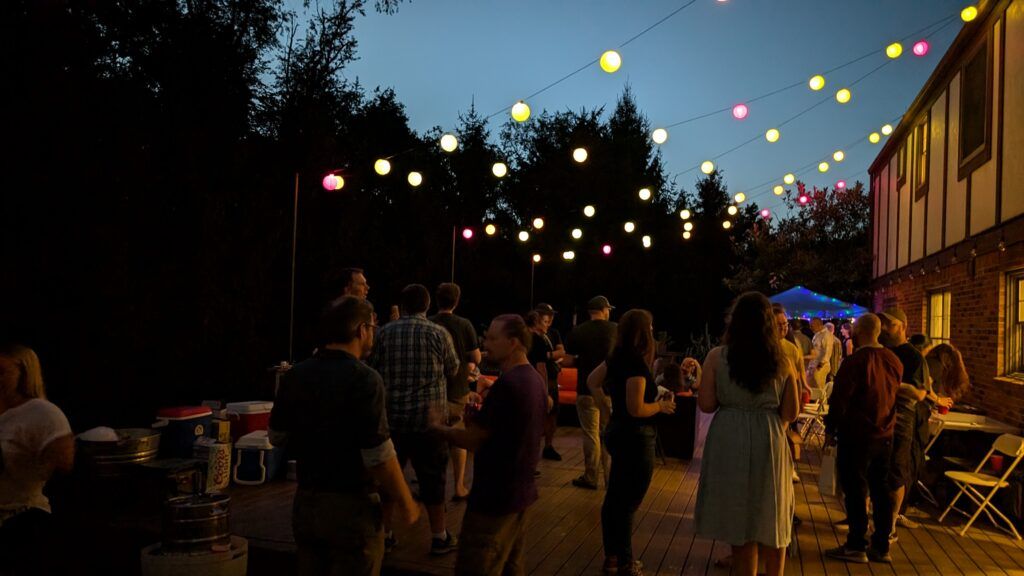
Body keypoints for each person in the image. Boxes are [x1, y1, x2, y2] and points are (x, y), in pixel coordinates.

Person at [270, 298, 420, 575]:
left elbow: (277, 437)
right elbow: (379, 455)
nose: (373, 333)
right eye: (373, 327)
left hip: (307, 503)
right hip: (352, 508)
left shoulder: (296, 375)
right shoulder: (365, 379)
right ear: (361, 330)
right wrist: (406, 501)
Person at [433, 315, 547, 576]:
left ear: (513, 343)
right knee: (511, 567)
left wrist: (439, 429)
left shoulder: (507, 385)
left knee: (477, 566)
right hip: (520, 495)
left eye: (493, 338)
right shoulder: (533, 380)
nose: (486, 343)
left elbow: (474, 440)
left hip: (494, 499)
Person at [695, 293, 799, 576]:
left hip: (730, 437)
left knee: (739, 521)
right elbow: (790, 412)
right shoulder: (783, 360)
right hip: (769, 436)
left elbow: (706, 404)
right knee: (770, 511)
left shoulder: (717, 357)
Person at [371, 284, 460, 555]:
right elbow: (453, 368)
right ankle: (439, 535)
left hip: (392, 419)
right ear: (427, 305)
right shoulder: (439, 333)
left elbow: (373, 368)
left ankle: (384, 534)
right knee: (433, 480)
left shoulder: (384, 332)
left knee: (388, 480)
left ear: (404, 304)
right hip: (428, 421)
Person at [588, 309, 675, 576]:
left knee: (614, 498)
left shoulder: (616, 357)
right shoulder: (636, 364)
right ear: (643, 332)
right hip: (636, 438)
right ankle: (626, 562)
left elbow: (592, 381)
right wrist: (660, 406)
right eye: (650, 328)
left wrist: (606, 407)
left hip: (617, 432)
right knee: (628, 502)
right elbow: (637, 408)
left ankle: (611, 558)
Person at [823, 313, 902, 565]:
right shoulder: (893, 360)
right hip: (886, 434)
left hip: (856, 435)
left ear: (861, 333)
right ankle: (881, 545)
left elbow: (840, 400)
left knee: (856, 489)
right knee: (881, 490)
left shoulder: (855, 362)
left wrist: (830, 429)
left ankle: (856, 544)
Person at [0, 345, 74, 576]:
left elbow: (64, 460)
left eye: (2, 371)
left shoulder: (41, 413)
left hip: (21, 519)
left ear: (24, 373)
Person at [878, 308, 932, 538]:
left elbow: (920, 393)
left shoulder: (913, 356)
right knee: (877, 469)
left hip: (901, 418)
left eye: (888, 324)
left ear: (900, 326)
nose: (883, 328)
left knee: (896, 471)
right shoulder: (881, 351)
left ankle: (890, 525)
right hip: (879, 415)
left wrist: (887, 383)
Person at [429, 283, 482, 501]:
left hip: (432, 387)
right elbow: (476, 357)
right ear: (457, 301)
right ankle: (459, 485)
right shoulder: (464, 324)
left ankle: (433, 485)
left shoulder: (428, 323)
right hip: (458, 386)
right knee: (457, 434)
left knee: (434, 436)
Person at [565, 295, 617, 490]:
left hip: (586, 390)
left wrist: (582, 361)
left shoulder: (578, 332)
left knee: (590, 434)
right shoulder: (616, 330)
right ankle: (611, 479)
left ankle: (591, 476)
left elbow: (569, 360)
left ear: (590, 312)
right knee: (608, 434)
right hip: (610, 391)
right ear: (604, 310)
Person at [526, 310, 562, 462]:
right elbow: (542, 368)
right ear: (538, 322)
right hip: (535, 383)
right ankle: (528, 460)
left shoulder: (526, 338)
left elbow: (562, 352)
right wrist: (544, 392)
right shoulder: (538, 340)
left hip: (528, 381)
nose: (548, 324)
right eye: (545, 321)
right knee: (533, 422)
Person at [805, 317, 833, 389]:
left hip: (820, 367)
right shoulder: (817, 334)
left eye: (812, 326)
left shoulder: (826, 335)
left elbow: (827, 351)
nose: (810, 328)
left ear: (819, 325)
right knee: (812, 387)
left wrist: (819, 366)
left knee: (819, 388)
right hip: (814, 366)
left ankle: (821, 400)